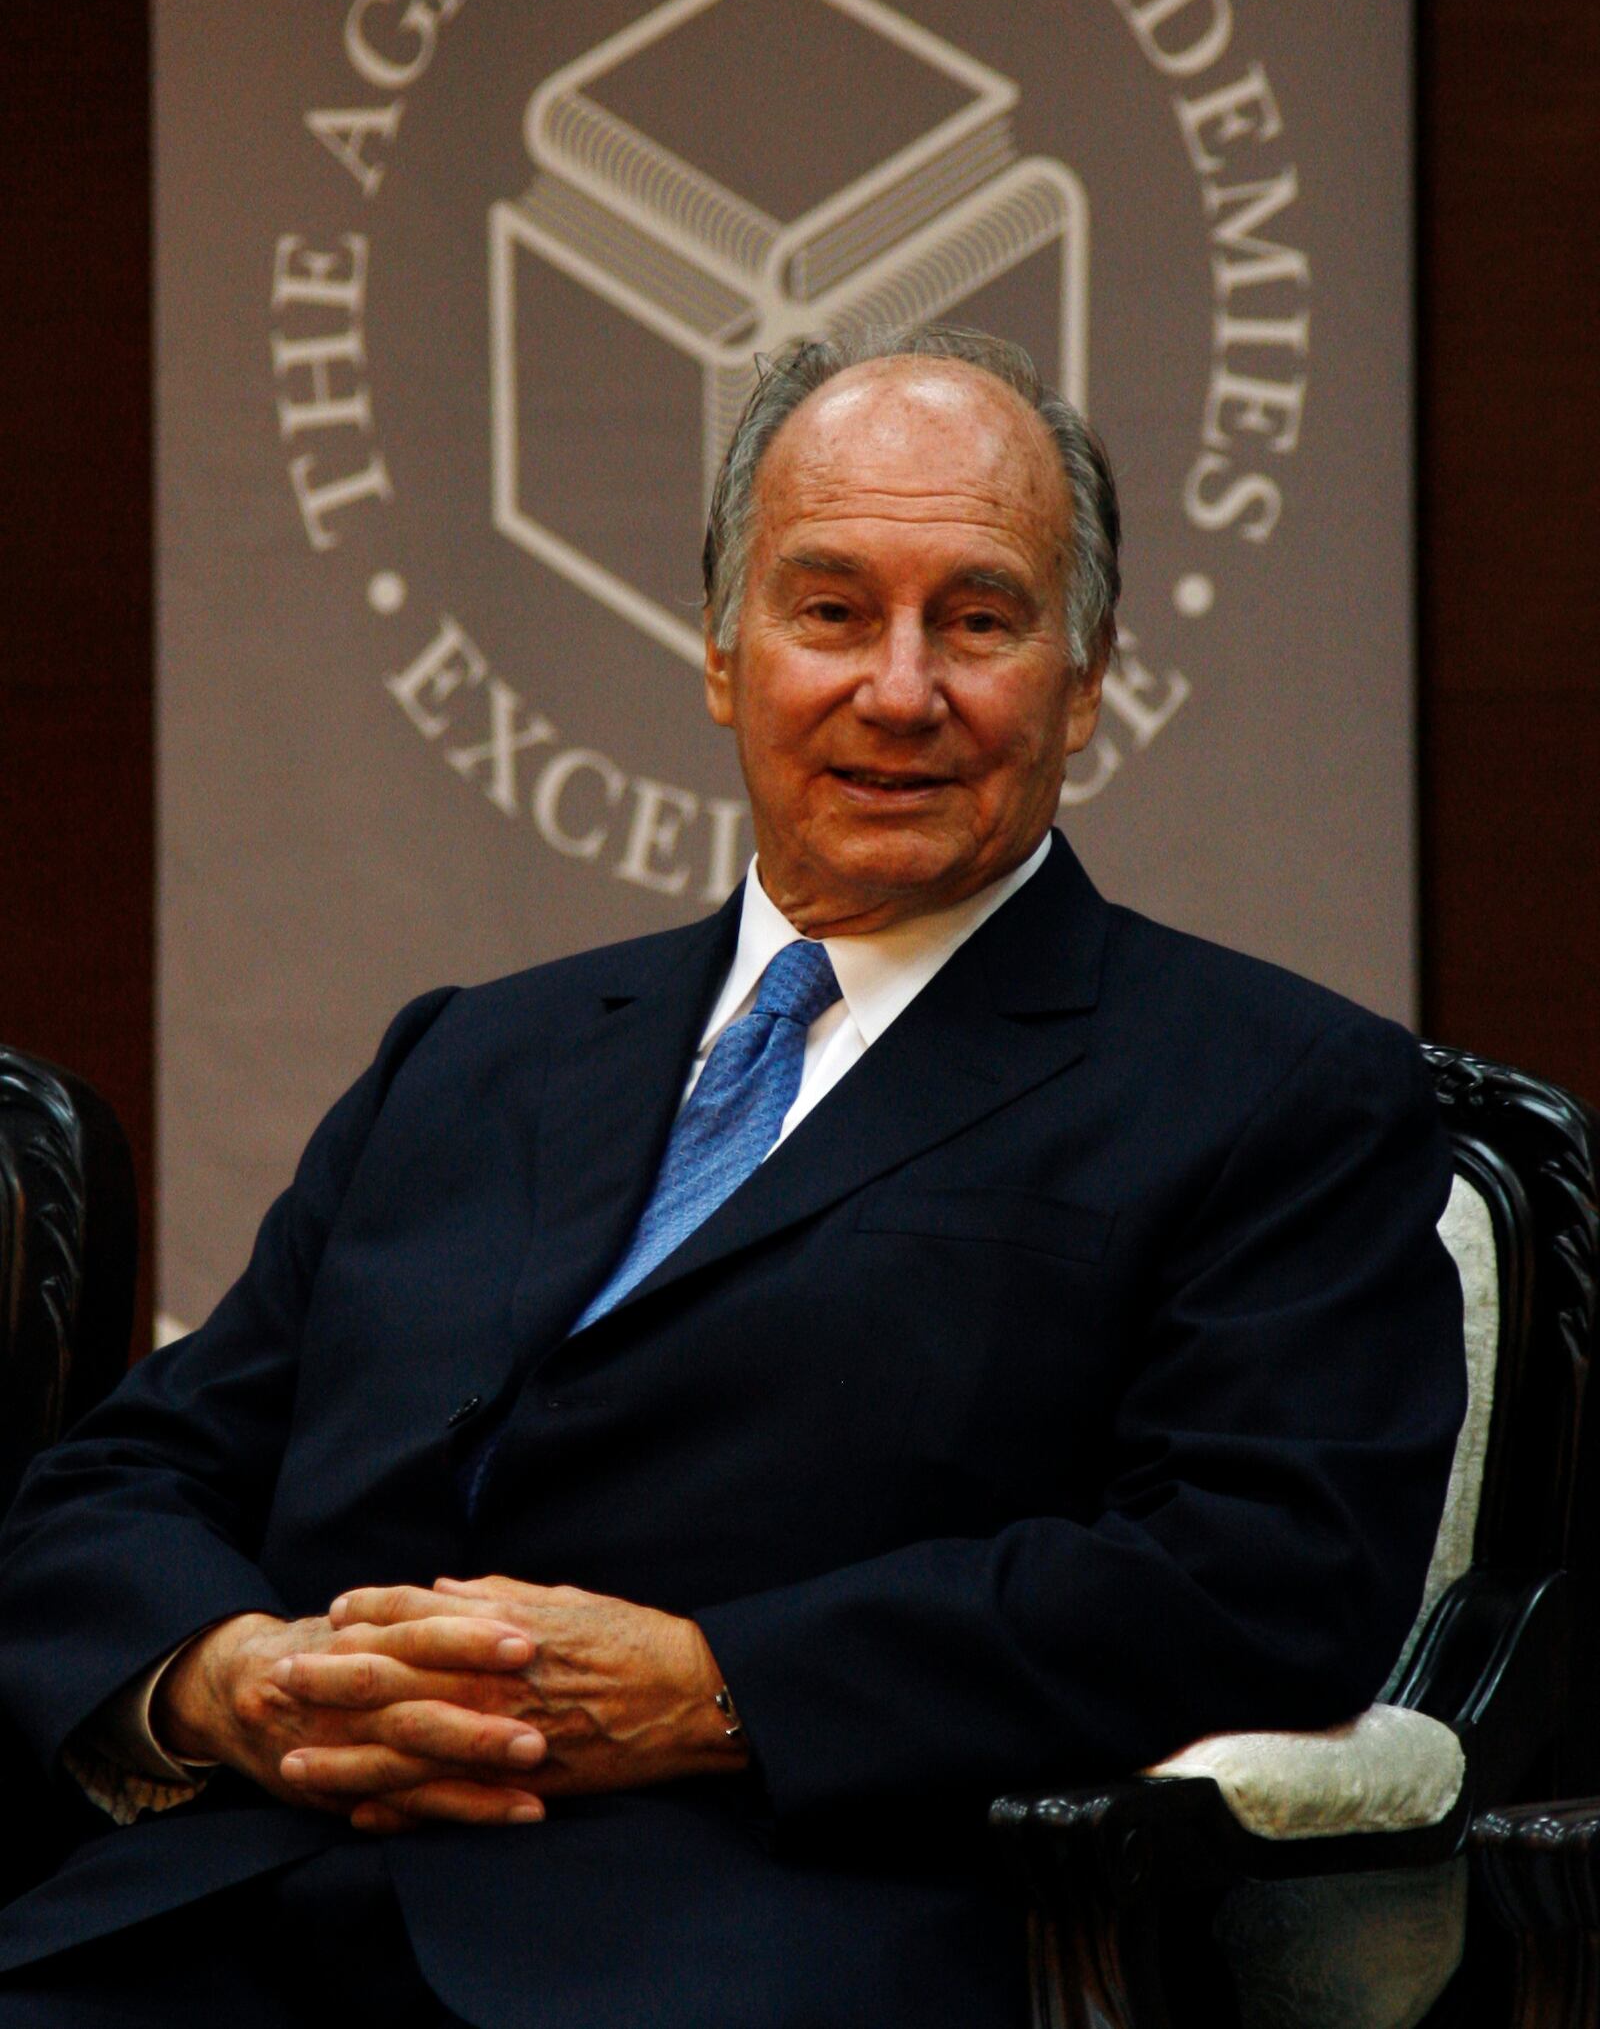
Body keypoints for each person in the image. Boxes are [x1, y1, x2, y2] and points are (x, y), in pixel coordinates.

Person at [0, 329, 1464, 2027]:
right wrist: (234, 1679)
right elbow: (127, 1476)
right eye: (829, 611)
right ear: (720, 654)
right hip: (227, 1909)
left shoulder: (1273, 1084)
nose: (898, 688)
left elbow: (1262, 1577)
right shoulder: (473, 1054)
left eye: (976, 619)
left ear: (1085, 677)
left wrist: (715, 1688)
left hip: (754, 1936)